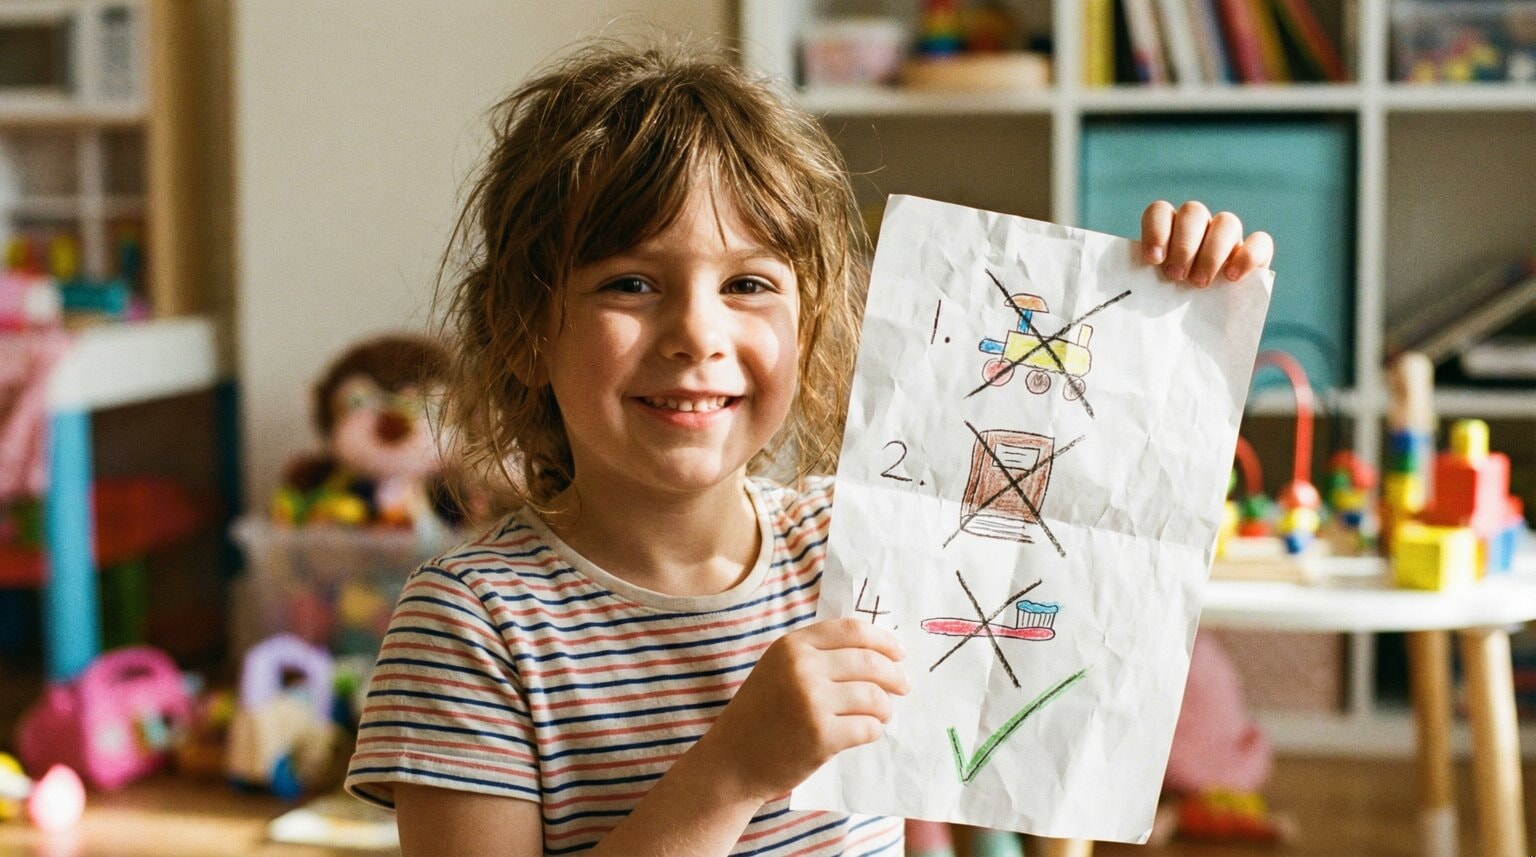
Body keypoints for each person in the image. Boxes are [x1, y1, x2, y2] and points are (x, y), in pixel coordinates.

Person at [343, 41, 1274, 857]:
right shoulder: (470, 625)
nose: (696, 334)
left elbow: (1053, 707)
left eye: (748, 282)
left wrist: (1175, 312)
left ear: (810, 322)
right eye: (629, 282)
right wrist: (734, 771)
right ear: (521, 329)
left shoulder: (856, 538)